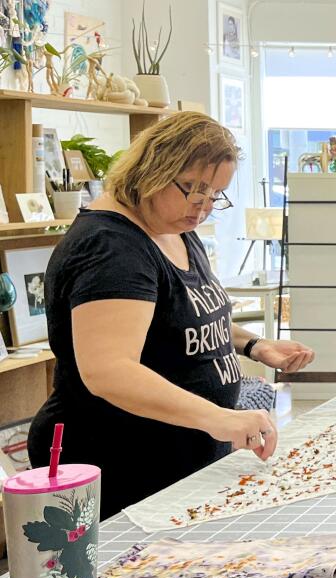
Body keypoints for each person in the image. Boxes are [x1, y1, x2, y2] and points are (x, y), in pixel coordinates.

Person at [29, 112, 315, 520]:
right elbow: (108, 371)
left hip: (180, 459)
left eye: (215, 195)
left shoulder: (173, 225)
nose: (203, 208)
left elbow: (180, 317)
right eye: (194, 190)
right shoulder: (111, 249)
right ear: (153, 169)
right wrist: (219, 418)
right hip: (123, 464)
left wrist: (254, 344)